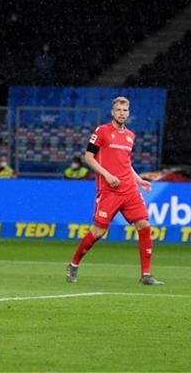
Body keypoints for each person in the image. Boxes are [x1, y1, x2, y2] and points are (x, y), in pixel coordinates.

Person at [66, 97, 164, 285]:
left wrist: (139, 180)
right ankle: (73, 264)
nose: (122, 113)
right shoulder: (102, 131)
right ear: (112, 112)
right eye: (118, 110)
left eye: (125, 110)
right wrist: (107, 175)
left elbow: (126, 163)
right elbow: (88, 157)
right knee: (99, 231)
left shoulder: (130, 136)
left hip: (129, 190)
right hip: (109, 190)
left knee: (144, 225)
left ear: (129, 113)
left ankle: (146, 275)